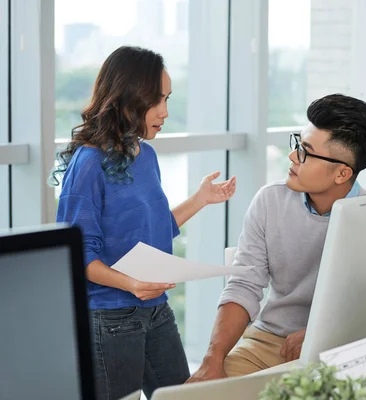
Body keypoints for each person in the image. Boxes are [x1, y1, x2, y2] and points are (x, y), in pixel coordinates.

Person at [49, 46, 236, 400]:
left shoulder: (145, 155)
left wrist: (201, 199)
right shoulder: (88, 164)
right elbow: (80, 255)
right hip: (110, 319)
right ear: (126, 98)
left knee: (183, 397)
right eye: (156, 100)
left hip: (156, 310)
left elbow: (154, 227)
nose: (164, 112)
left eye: (167, 98)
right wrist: (130, 283)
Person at [187, 93, 366, 383]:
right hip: (267, 342)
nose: (293, 157)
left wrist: (320, 332)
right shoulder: (270, 201)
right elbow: (244, 286)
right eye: (297, 144)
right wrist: (212, 360)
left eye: (305, 151)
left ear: (342, 173)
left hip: (341, 347)